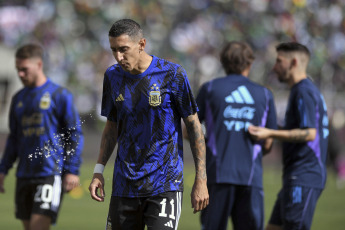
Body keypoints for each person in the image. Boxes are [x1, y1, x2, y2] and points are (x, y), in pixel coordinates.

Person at [88, 19, 209, 230]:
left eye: (124, 49)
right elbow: (111, 127)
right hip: (124, 184)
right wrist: (99, 170)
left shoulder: (172, 74)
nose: (118, 57)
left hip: (164, 183)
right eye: (114, 50)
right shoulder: (112, 76)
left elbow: (194, 125)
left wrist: (201, 179)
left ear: (141, 44)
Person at [186, 41, 277, 230]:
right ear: (250, 63)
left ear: (223, 62)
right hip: (251, 177)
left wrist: (210, 143)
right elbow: (268, 143)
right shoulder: (265, 95)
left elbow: (189, 131)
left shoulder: (210, 89)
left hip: (217, 175)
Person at [0, 44, 84, 230]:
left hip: (49, 173)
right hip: (23, 174)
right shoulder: (18, 98)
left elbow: (74, 134)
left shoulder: (60, 95)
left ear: (38, 64)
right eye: (18, 70)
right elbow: (14, 138)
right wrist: (3, 169)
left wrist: (72, 170)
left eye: (24, 69)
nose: (20, 74)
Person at [248, 42, 329, 230]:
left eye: (279, 61)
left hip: (304, 175)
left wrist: (270, 132)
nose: (274, 67)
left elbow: (309, 134)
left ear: (293, 62)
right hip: (296, 176)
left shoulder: (304, 91)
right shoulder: (302, 90)